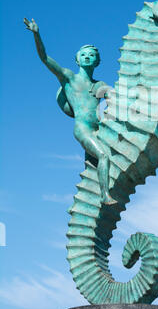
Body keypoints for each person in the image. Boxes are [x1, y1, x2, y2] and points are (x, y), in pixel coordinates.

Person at [24, 17, 116, 205]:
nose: (87, 57)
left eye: (91, 55)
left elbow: (119, 102)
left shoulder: (101, 85)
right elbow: (45, 58)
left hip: (100, 129)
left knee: (94, 165)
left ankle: (92, 197)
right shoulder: (69, 78)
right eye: (83, 54)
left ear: (97, 61)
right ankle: (104, 195)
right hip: (83, 128)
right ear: (77, 59)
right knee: (103, 156)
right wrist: (36, 34)